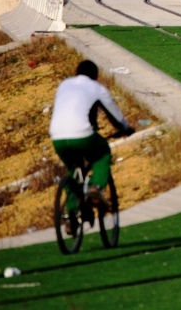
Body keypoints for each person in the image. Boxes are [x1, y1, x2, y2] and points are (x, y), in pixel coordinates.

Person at [49, 60, 135, 233]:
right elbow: (115, 116)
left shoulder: (64, 84)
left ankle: (71, 215)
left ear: (76, 73)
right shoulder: (97, 88)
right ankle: (96, 187)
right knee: (102, 153)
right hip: (82, 134)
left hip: (57, 136)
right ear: (96, 76)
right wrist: (126, 128)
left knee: (73, 171)